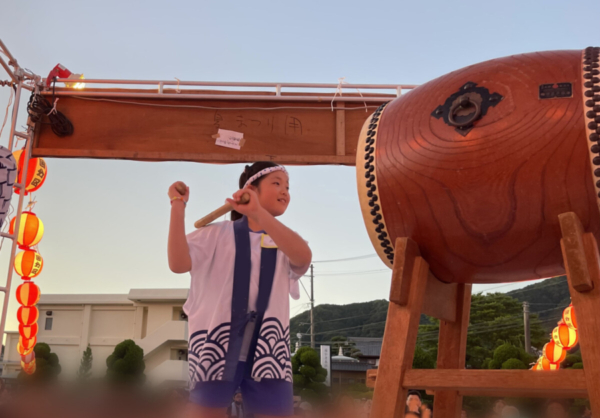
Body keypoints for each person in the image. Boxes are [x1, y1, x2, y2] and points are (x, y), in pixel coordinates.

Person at [169, 162, 312, 418]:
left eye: (288, 187)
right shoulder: (217, 234)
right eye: (276, 183)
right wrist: (177, 205)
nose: (285, 191)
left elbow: (303, 257)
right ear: (250, 190)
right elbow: (178, 264)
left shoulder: (285, 240)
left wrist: (259, 214)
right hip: (217, 344)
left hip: (270, 349)